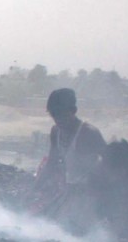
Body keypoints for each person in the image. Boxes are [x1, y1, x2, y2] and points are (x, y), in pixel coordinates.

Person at [30, 88, 106, 231]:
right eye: (54, 116)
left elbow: (110, 164)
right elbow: (51, 164)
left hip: (90, 193)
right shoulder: (56, 131)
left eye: (62, 116)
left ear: (73, 110)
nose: (59, 121)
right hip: (69, 190)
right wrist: (34, 189)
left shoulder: (88, 133)